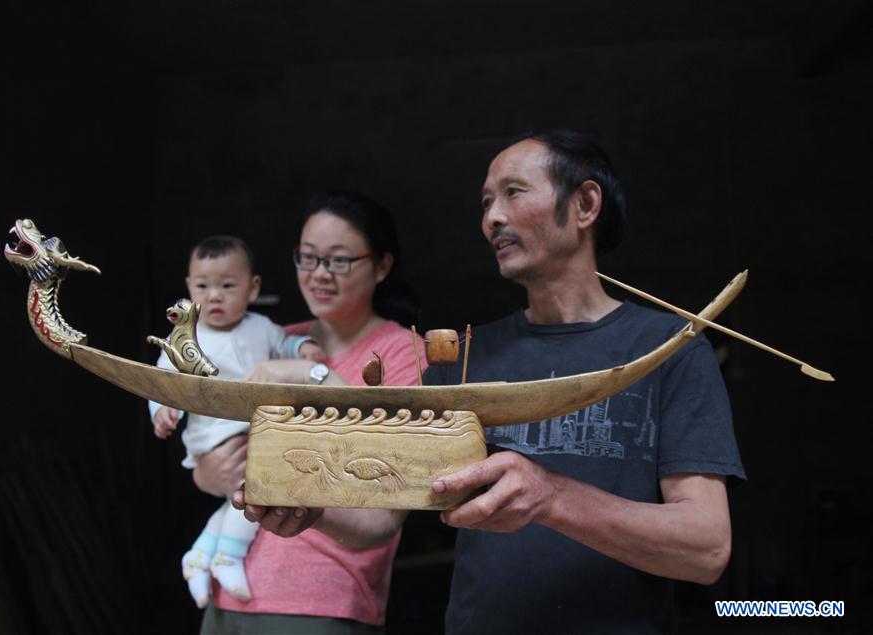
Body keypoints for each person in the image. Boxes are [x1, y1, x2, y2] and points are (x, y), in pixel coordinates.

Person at [240, 130, 745, 634]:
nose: (491, 218)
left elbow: (706, 548)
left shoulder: (669, 352)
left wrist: (551, 497)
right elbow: (381, 519)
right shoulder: (461, 362)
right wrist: (312, 510)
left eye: (514, 192)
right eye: (486, 202)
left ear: (586, 203)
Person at [193, 191, 427, 634]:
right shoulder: (274, 338)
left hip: (322, 603)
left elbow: (388, 496)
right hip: (229, 593)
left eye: (338, 261)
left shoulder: (404, 353)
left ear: (382, 266)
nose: (319, 274)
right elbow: (217, 446)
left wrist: (312, 373)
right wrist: (207, 471)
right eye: (307, 258)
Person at [149, 235, 324, 608]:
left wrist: (304, 347)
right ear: (188, 288)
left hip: (255, 431)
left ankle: (199, 557)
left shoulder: (261, 326)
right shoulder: (186, 336)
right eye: (203, 286)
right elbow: (164, 381)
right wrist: (162, 409)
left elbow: (285, 345)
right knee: (258, 489)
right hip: (214, 436)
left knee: (240, 499)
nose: (214, 296)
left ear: (252, 287)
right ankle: (229, 556)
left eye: (227, 286)